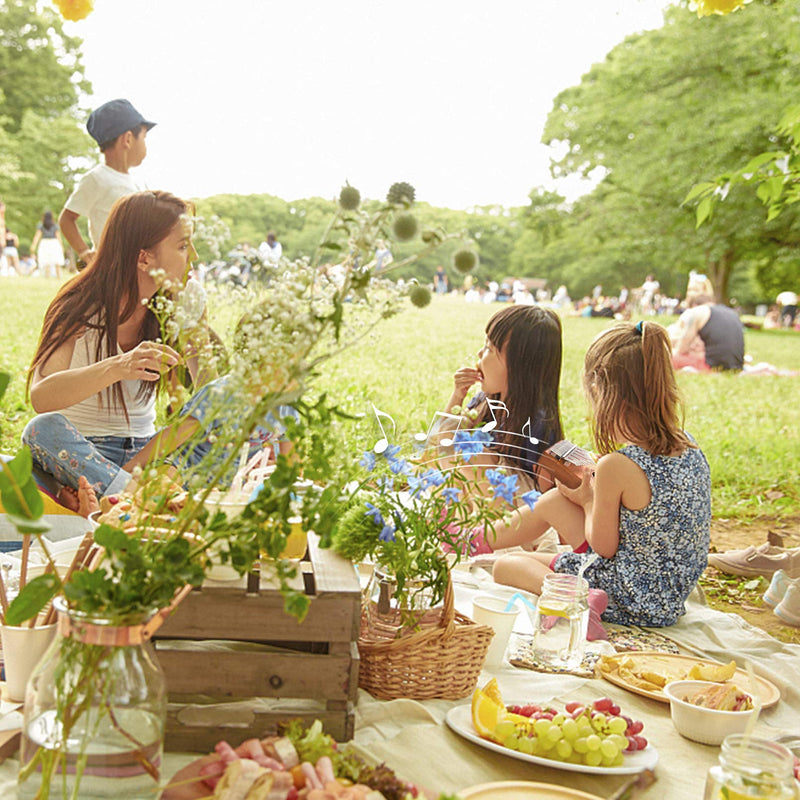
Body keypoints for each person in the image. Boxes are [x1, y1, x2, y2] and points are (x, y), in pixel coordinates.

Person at [488, 321, 711, 628]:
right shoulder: (690, 447)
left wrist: (588, 497)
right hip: (669, 597)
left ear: (599, 390)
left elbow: (603, 547)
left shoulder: (617, 465)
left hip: (628, 595)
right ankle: (480, 538)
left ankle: (576, 603)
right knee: (553, 501)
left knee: (507, 566)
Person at [22, 190, 191, 501]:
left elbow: (204, 402)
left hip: (144, 456)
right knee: (41, 429)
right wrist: (118, 366)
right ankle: (142, 503)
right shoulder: (79, 305)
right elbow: (42, 397)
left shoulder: (173, 310)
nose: (192, 255)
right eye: (182, 246)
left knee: (212, 431)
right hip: (83, 451)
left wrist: (197, 327)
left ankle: (109, 500)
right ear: (144, 257)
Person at [442, 305, 564, 493]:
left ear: (520, 366)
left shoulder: (537, 422)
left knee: (470, 452)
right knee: (454, 441)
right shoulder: (485, 401)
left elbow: (544, 494)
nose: (480, 354)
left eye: (489, 348)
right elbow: (441, 443)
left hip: (513, 511)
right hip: (476, 499)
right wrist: (458, 396)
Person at [59, 99, 156, 268]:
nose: (146, 145)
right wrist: (84, 253)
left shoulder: (135, 182)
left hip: (134, 266)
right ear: (127, 139)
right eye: (144, 137)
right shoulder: (97, 178)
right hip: (111, 268)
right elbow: (66, 219)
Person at [672, 294, 744, 371]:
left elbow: (682, 349)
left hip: (711, 365)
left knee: (669, 358)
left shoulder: (697, 312)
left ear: (694, 306)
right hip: (737, 365)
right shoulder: (731, 313)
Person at [30, 211, 65, 279]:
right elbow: (58, 237)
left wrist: (33, 245)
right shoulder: (55, 226)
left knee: (47, 262)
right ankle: (58, 276)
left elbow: (37, 236)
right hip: (54, 243)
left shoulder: (41, 226)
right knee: (56, 261)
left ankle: (47, 276)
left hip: (45, 243)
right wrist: (61, 246)